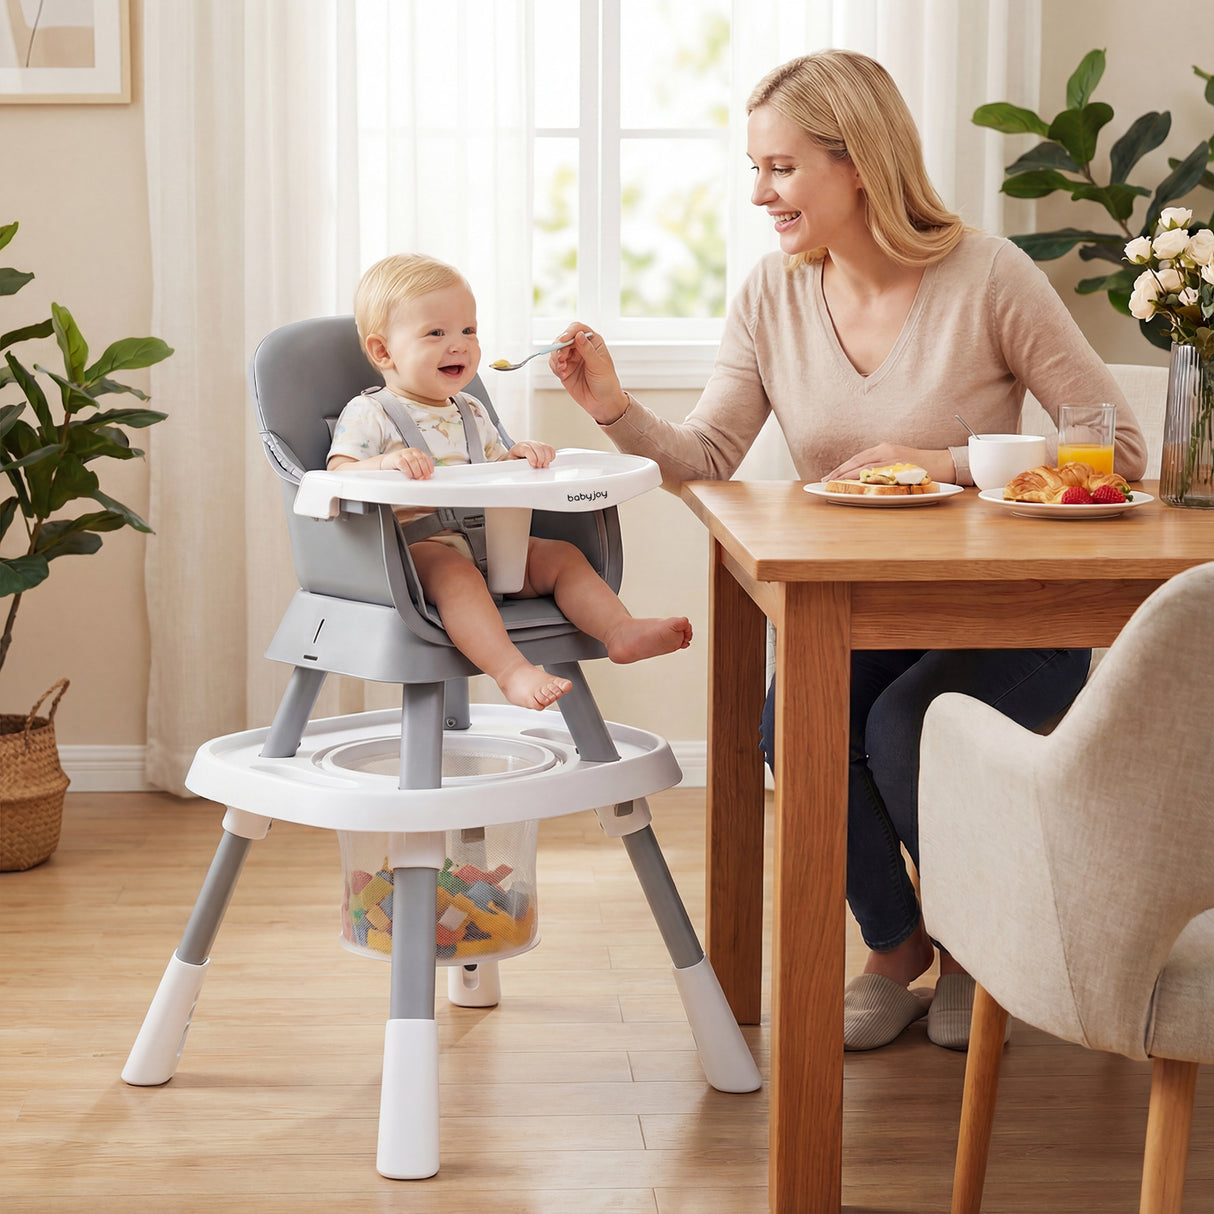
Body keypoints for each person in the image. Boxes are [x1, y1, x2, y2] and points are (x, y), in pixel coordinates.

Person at [550, 50, 1147, 1051]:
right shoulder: (769, 297)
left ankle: (975, 955)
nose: (757, 193)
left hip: (1012, 618)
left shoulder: (986, 274)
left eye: (779, 168)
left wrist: (946, 463)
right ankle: (896, 942)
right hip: (865, 607)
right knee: (799, 723)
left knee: (909, 719)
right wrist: (612, 408)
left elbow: (1116, 449)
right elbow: (706, 455)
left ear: (856, 161)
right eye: (755, 167)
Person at [327, 252, 693, 712]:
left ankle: (619, 631)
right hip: (419, 551)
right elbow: (336, 476)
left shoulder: (472, 410)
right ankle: (511, 672)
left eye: (468, 330)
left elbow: (497, 469)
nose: (459, 345)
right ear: (383, 352)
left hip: (492, 542)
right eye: (436, 333)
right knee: (457, 577)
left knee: (562, 557)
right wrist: (385, 465)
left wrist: (520, 456)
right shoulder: (371, 413)